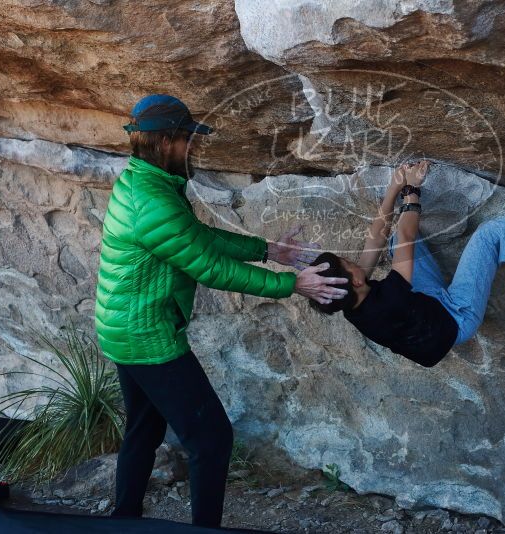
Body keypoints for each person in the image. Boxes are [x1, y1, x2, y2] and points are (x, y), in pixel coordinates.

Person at [94, 94, 349, 528]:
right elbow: (209, 267)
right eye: (189, 141)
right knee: (211, 439)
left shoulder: (145, 183)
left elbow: (195, 237)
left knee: (143, 429)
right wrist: (293, 284)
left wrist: (269, 250)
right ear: (167, 141)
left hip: (124, 328)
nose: (193, 149)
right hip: (146, 336)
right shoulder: (151, 200)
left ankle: (124, 519)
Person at [307, 160, 505, 367]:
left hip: (423, 308)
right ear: (357, 280)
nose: (353, 261)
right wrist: (413, 191)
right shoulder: (389, 300)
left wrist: (392, 189)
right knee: (489, 236)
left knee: (389, 244)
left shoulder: (349, 301)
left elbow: (375, 240)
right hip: (456, 317)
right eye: (348, 263)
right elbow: (405, 231)